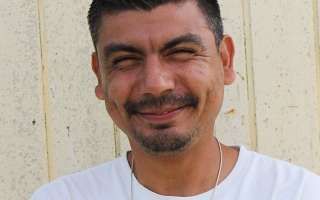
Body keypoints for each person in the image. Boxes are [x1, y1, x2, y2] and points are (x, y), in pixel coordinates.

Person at [31, 0, 320, 199]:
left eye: (181, 52)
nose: (156, 85)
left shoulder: (297, 194)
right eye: (126, 60)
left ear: (225, 60)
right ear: (99, 76)